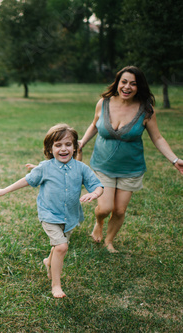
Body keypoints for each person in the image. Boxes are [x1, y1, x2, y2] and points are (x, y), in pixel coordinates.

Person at [78, 66, 183, 253]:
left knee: (119, 210)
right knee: (105, 208)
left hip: (130, 169)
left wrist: (175, 160)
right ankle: (99, 222)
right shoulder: (103, 103)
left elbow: (157, 138)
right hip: (103, 165)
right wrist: (82, 143)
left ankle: (109, 241)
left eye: (133, 84)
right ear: (118, 83)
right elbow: (95, 125)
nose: (127, 87)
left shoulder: (146, 110)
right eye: (124, 82)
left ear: (139, 87)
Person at [0, 124, 103, 298]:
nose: (63, 149)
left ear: (75, 147)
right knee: (61, 246)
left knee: (58, 247)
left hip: (70, 217)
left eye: (68, 144)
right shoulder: (45, 168)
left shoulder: (80, 168)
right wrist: (5, 190)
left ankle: (49, 261)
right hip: (50, 215)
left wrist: (95, 193)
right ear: (50, 148)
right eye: (58, 145)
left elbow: (97, 185)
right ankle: (56, 285)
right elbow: (27, 180)